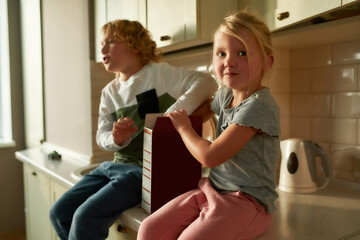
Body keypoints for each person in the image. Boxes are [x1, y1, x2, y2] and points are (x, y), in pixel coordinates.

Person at [49, 19, 218, 240]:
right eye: (102, 43)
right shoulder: (109, 92)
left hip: (143, 172)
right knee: (59, 212)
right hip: (114, 166)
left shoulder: (159, 73)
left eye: (111, 41)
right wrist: (115, 138)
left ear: (135, 45)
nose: (102, 49)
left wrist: (171, 115)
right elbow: (102, 137)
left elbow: (207, 82)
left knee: (84, 218)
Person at [137, 10, 280, 240]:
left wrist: (184, 128)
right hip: (212, 190)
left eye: (242, 53)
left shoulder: (259, 106)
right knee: (148, 229)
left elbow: (210, 157)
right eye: (221, 53)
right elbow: (202, 111)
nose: (228, 61)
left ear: (267, 61)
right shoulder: (225, 96)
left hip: (247, 203)